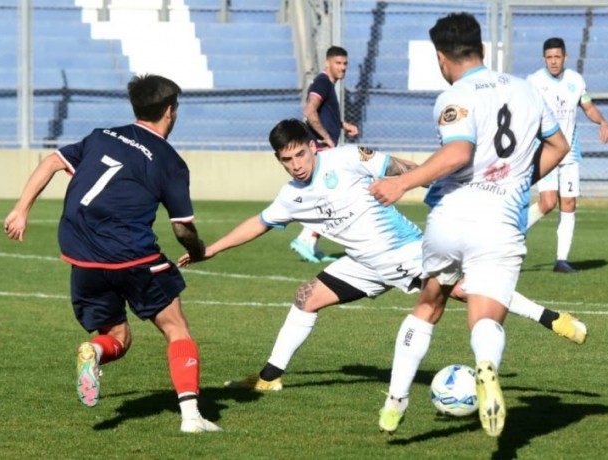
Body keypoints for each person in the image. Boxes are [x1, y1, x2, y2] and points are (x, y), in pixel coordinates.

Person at [177, 118, 575, 396]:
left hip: (403, 250)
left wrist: (429, 177)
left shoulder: (346, 158)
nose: (296, 165)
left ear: (312, 147)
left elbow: (396, 166)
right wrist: (207, 250)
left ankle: (550, 317)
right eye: (287, 160)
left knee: (466, 291)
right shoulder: (290, 196)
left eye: (300, 154)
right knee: (306, 297)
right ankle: (269, 378)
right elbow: (258, 223)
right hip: (362, 264)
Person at [368, 12, 570, 437]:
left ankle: (395, 401)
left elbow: (459, 153)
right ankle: (486, 366)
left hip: (451, 217)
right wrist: (516, 181)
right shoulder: (527, 90)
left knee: (428, 304)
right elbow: (559, 145)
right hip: (499, 224)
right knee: (486, 317)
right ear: (482, 49)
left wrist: (402, 181)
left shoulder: (455, 96)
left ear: (442, 58)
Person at [3, 74, 221, 434]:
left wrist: (21, 209)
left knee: (119, 336)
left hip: (83, 258)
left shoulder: (100, 135)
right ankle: (191, 418)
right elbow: (181, 227)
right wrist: (197, 250)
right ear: (170, 111)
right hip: (133, 256)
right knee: (176, 329)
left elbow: (52, 162)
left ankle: (95, 352)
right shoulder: (170, 161)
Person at [525, 37, 608, 273]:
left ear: (565, 57)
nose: (553, 62)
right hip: (544, 150)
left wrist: (602, 121)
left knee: (569, 202)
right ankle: (511, 233)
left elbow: (588, 107)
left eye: (557, 57)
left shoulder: (575, 80)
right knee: (547, 203)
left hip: (570, 151)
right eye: (549, 57)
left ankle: (562, 260)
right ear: (544, 59)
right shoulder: (533, 82)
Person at [290, 46, 360, 264]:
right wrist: (327, 138)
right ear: (327, 63)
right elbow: (309, 111)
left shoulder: (328, 85)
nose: (343, 68)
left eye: (345, 64)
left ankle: (310, 242)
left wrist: (342, 124)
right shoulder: (322, 82)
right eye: (338, 63)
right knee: (333, 197)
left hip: (322, 147)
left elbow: (324, 113)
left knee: (330, 197)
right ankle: (305, 239)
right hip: (321, 149)